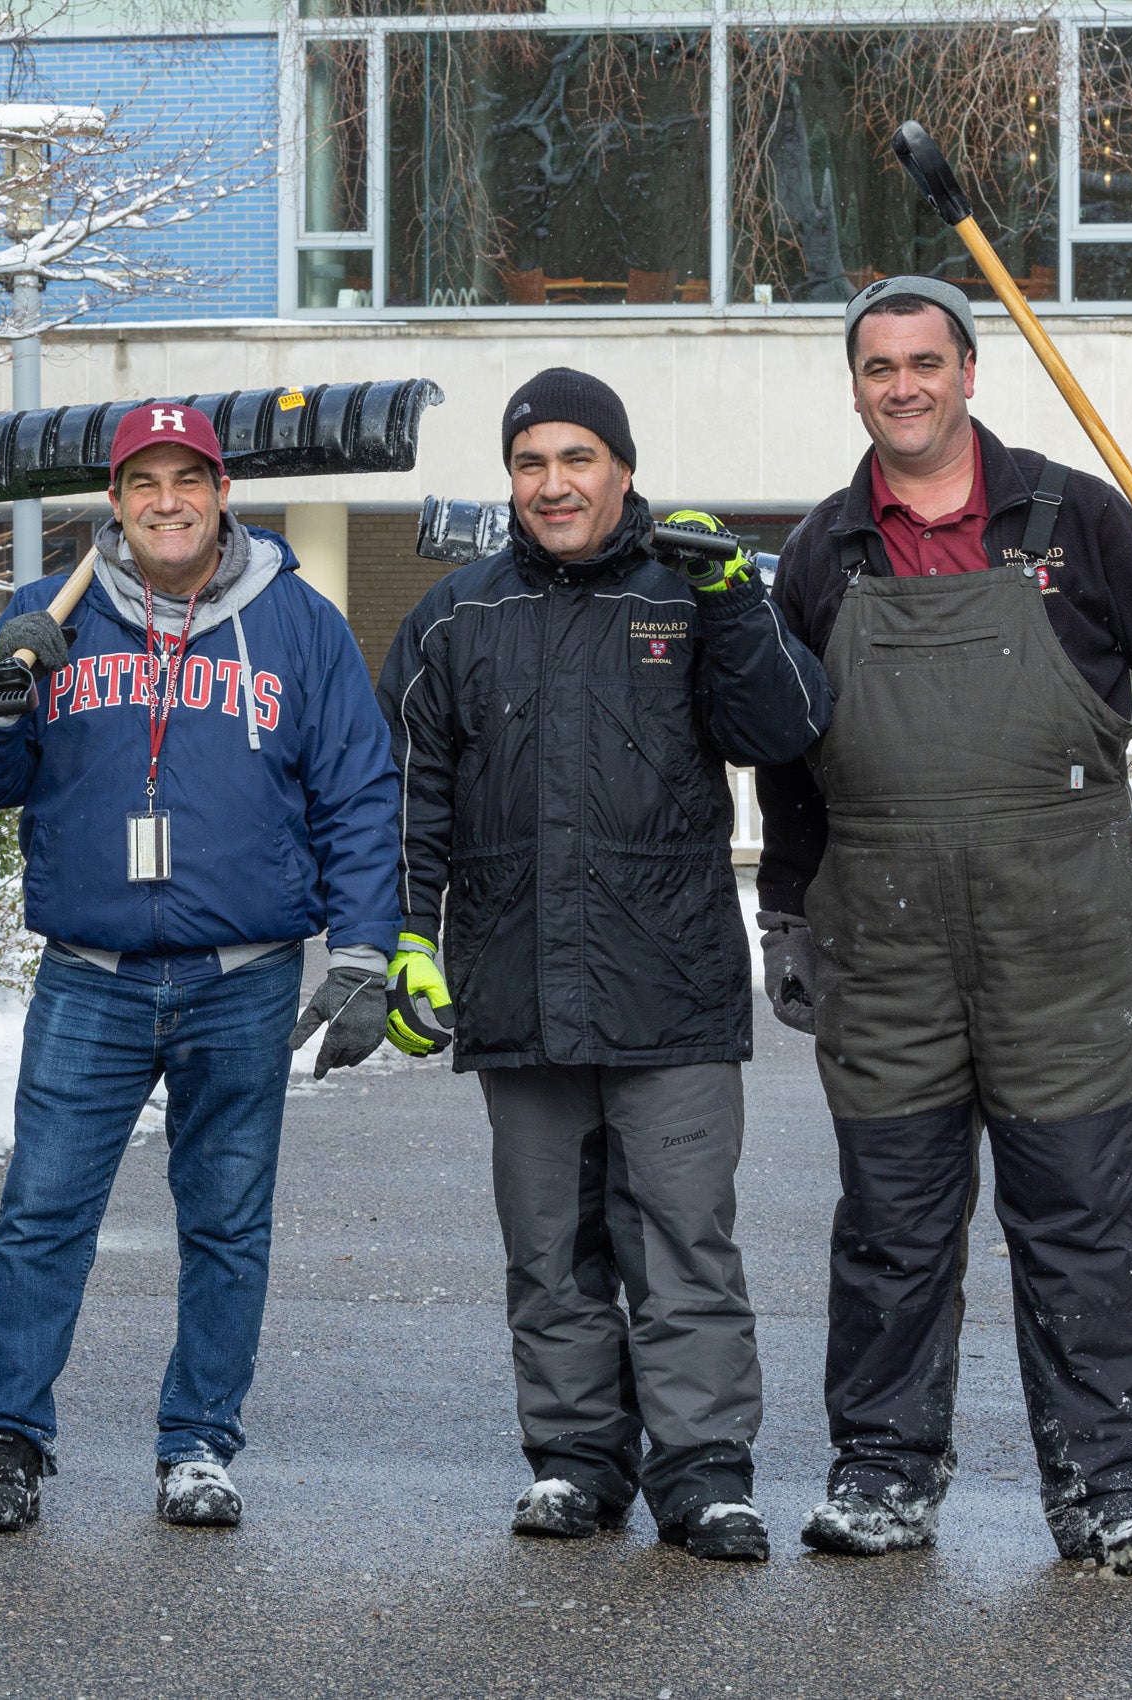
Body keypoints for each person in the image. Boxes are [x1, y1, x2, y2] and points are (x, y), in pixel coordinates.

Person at [755, 277, 1132, 1577]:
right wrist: (784, 912)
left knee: (1080, 1226)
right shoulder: (819, 555)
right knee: (892, 1231)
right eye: (878, 366)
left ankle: (1111, 1486)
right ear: (854, 387)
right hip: (883, 951)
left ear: (967, 371)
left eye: (924, 361)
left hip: (1061, 948)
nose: (903, 385)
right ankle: (882, 1471)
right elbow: (787, 761)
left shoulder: (1074, 518)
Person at [376, 368, 833, 1563]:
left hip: (669, 987)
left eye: (577, 458)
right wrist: (410, 939)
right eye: (531, 462)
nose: (553, 482)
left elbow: (784, 729)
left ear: (622, 467)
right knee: (551, 1246)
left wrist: (736, 598)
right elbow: (410, 798)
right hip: (515, 983)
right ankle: (576, 1461)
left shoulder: (688, 593)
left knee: (682, 1240)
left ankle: (705, 1470)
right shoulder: (454, 619)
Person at [0, 402, 401, 1532]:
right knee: (43, 1212)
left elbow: (356, 791)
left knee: (228, 1219)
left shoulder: (297, 622)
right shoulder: (49, 612)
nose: (168, 501)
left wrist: (366, 948)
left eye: (189, 479)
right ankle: (8, 1441)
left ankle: (198, 1441)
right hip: (91, 972)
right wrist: (1, 697)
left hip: (242, 973)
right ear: (116, 499)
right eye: (145, 482)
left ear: (223, 491)